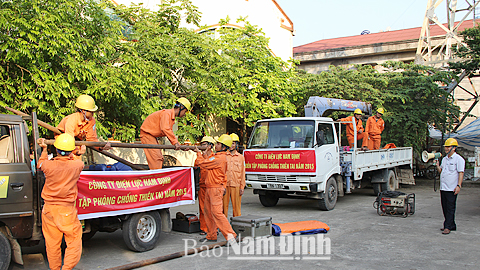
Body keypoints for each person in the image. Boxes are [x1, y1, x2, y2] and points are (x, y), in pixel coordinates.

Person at [37, 134, 85, 270]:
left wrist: (44, 149)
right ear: (70, 151)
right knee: (74, 241)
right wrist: (78, 153)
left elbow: (40, 163)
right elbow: (78, 162)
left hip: (48, 210)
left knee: (52, 244)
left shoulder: (47, 165)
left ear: (56, 149)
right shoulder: (77, 165)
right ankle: (67, 268)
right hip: (66, 211)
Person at [194, 134, 237, 244]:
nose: (216, 145)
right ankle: (211, 235)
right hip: (210, 187)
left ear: (223, 147)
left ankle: (231, 236)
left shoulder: (219, 158)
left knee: (217, 213)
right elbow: (207, 161)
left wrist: (198, 153)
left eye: (218, 143)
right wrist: (203, 154)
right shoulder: (217, 157)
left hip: (215, 189)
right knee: (208, 212)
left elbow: (202, 163)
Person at [140, 98, 191, 169]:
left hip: (151, 136)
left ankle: (156, 175)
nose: (184, 115)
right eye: (185, 112)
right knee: (156, 159)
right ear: (181, 108)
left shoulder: (170, 116)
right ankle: (156, 177)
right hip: (147, 134)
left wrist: (179, 145)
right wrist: (175, 143)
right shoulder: (167, 113)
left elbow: (168, 132)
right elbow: (165, 129)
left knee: (160, 158)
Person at [57, 94, 111, 158]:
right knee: (67, 160)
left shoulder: (91, 121)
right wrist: (77, 151)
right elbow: (69, 140)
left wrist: (101, 147)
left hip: (76, 141)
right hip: (63, 141)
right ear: (83, 111)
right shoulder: (71, 120)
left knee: (77, 164)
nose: (93, 113)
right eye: (91, 111)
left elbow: (91, 139)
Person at [434, 138, 464, 235]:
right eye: (446, 147)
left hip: (452, 188)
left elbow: (460, 173)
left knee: (450, 207)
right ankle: (452, 225)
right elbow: (441, 171)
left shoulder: (459, 159)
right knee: (445, 207)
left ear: (454, 148)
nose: (446, 149)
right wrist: (437, 165)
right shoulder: (445, 159)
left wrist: (459, 185)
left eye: (448, 147)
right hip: (444, 187)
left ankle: (447, 226)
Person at [194, 136, 216, 235]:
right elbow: (196, 167)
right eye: (202, 145)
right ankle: (204, 228)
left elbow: (205, 163)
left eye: (204, 144)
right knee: (202, 208)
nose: (202, 146)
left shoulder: (214, 157)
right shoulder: (199, 157)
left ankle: (213, 228)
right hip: (202, 186)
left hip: (211, 186)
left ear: (210, 146)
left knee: (212, 208)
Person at [223, 133, 245, 217]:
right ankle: (224, 227)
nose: (231, 145)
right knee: (223, 208)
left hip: (236, 185)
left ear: (236, 144)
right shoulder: (224, 156)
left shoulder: (241, 157)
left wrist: (242, 187)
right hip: (225, 186)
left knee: (237, 208)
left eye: (233, 143)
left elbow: (243, 172)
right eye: (230, 143)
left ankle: (237, 226)